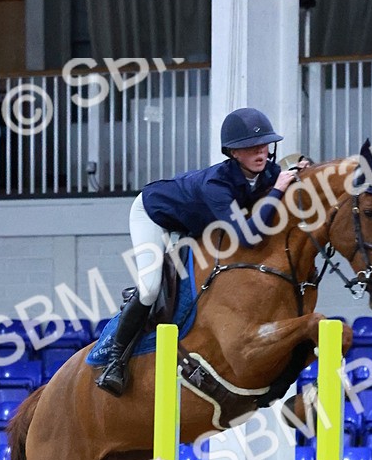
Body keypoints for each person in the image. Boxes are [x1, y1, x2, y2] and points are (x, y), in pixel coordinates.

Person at [96, 107, 301, 396]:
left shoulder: (269, 171)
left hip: (194, 223)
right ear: (233, 152)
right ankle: (115, 360)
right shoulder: (216, 185)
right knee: (151, 289)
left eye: (265, 145)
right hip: (155, 215)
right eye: (252, 147)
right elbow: (249, 236)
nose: (261, 152)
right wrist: (278, 189)